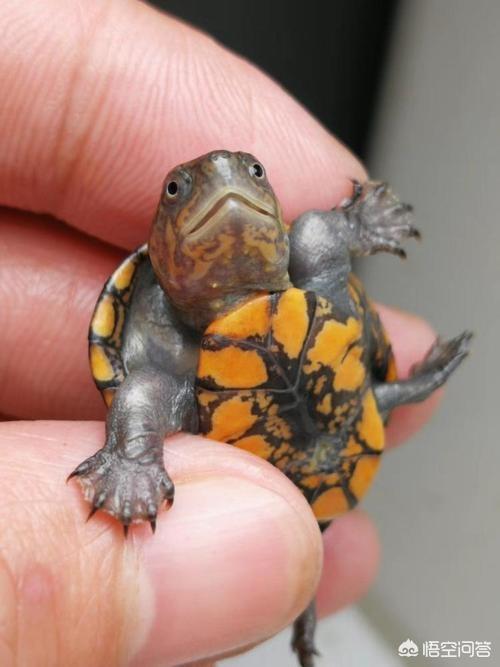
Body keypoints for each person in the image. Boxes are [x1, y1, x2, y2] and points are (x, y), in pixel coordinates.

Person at [0, 2, 442, 665]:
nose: (228, 185)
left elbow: (316, 234)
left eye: (254, 173)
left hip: (330, 415)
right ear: (161, 243)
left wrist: (351, 224)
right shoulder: (163, 353)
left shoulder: (306, 255)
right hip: (231, 413)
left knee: (318, 235)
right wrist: (133, 458)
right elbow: (139, 396)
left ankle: (306, 601)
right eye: (180, 190)